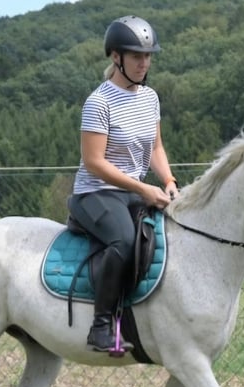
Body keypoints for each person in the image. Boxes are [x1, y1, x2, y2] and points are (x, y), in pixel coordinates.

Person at [68, 15, 179, 353]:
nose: (144, 63)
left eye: (147, 56)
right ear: (116, 57)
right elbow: (94, 162)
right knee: (124, 241)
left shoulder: (150, 99)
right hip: (95, 193)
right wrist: (142, 188)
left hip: (133, 191)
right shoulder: (98, 103)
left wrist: (169, 180)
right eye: (136, 56)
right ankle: (100, 327)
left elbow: (155, 147)